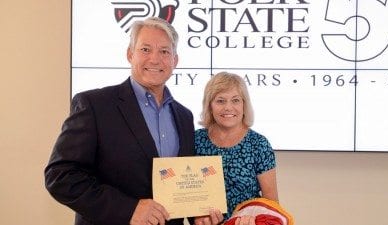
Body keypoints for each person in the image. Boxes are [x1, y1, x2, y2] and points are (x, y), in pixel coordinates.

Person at [44, 17, 222, 225]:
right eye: (145, 49)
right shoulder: (95, 105)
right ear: (130, 54)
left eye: (164, 51)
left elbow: (179, 186)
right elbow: (61, 176)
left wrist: (197, 215)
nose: (155, 59)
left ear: (175, 60)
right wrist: (129, 210)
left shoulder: (184, 116)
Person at [194, 72, 279, 223]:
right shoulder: (195, 140)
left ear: (244, 105)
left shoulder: (258, 144)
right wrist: (196, 217)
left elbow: (272, 206)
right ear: (209, 105)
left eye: (235, 100)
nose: (228, 107)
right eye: (220, 101)